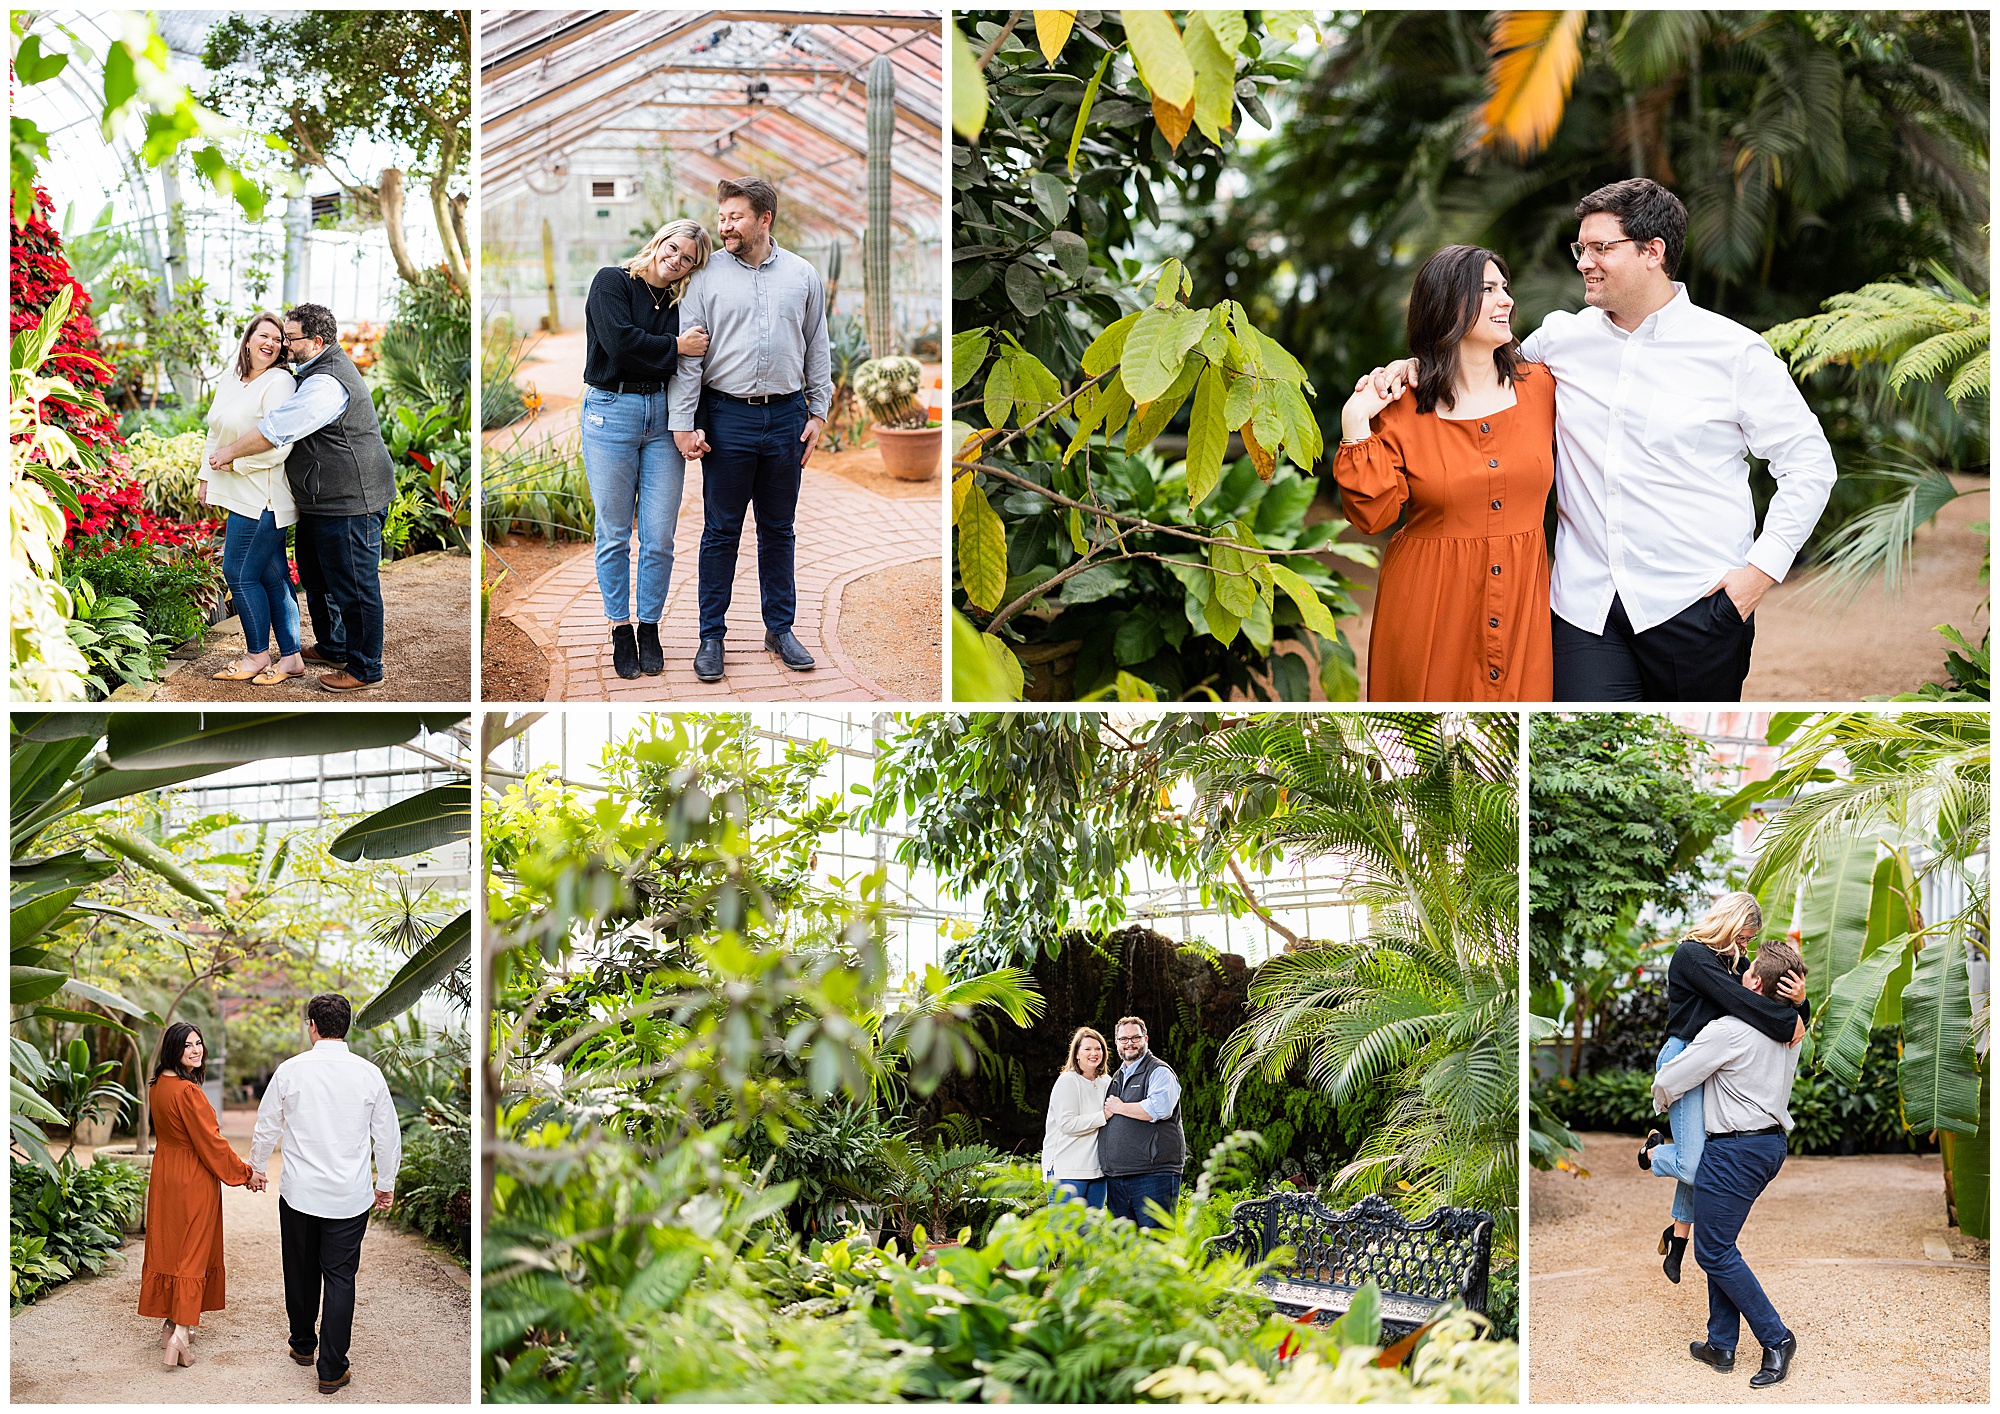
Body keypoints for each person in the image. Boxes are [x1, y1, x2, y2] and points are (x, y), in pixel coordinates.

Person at [1364, 178, 1837, 701]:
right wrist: (1411, 368)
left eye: (1600, 248)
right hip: (1582, 612)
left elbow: (1809, 464)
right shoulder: (1560, 341)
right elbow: (1476, 368)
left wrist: (1758, 575)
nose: (1584, 261)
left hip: (1695, 606)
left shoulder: (1733, 352)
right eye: (1580, 248)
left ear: (1652, 252)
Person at [1334, 245, 1555, 700]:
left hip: (1521, 610)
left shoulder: (1544, 388)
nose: (1507, 300)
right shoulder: (1400, 407)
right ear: (1447, 305)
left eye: (1505, 288)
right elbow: (1371, 517)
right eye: (1488, 290)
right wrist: (1356, 423)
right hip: (1429, 609)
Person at [671, 176, 833, 683]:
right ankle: (711, 637)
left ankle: (779, 628)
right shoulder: (704, 277)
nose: (725, 225)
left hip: (786, 417)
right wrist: (684, 423)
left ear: (765, 219)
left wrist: (819, 412)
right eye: (722, 217)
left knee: (778, 529)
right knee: (720, 531)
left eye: (735, 216)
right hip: (727, 417)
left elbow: (817, 346)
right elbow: (690, 357)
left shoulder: (804, 276)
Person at [207, 302, 398, 692]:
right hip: (322, 500)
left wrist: (228, 455)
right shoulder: (309, 372)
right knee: (316, 577)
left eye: (289, 338)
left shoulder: (325, 383)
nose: (283, 346)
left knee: (355, 586)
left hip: (352, 499)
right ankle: (334, 645)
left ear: (316, 341)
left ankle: (365, 668)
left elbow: (277, 430)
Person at [1651, 940, 1808, 1388]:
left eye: (1747, 968)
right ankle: (1720, 1344)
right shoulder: (1790, 1029)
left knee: (1714, 1250)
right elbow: (1798, 1016)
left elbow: (1672, 1078)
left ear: (1755, 982)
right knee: (1721, 1244)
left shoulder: (1729, 1030)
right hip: (1768, 1147)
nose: (1738, 974)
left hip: (1734, 1150)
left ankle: (1776, 1338)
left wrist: (1662, 1100)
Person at [1639, 892, 1808, 1282]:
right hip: (1685, 1057)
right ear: (1729, 924)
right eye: (1744, 937)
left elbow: (1765, 997)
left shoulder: (1736, 960)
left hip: (1714, 1059)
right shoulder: (1692, 957)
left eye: (1749, 941)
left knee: (1707, 1159)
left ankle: (1678, 1240)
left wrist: (1801, 1004)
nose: (1745, 948)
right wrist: (1792, 1023)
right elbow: (1742, 1003)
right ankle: (1653, 1155)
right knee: (1694, 1163)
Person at [250, 993, 401, 1396]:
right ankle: (331, 1369)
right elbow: (386, 1136)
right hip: (349, 1197)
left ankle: (302, 1346)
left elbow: (268, 1125)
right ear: (346, 1026)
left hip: (300, 1192)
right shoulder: (369, 1074)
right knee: (340, 1277)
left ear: (312, 1026)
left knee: (300, 1270)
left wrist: (258, 1167)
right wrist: (384, 1183)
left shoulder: (290, 1070)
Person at [580, 218, 713, 679]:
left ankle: (649, 626)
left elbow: (695, 365)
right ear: (658, 241)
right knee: (614, 532)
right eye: (673, 248)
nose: (675, 260)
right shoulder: (611, 282)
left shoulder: (680, 302)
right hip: (610, 410)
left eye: (687, 260)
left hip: (662, 418)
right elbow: (619, 346)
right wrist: (677, 346)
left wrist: (691, 422)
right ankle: (620, 628)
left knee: (658, 537)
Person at [137, 1021, 266, 1369]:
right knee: (192, 1249)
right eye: (187, 1045)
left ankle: (169, 1323)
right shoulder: (187, 1092)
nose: (196, 1050)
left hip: (165, 1175)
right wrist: (247, 1174)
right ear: (173, 1049)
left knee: (171, 1245)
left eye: (199, 1044)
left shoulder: (157, 1086)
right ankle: (180, 1331)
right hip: (193, 1177)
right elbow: (211, 1144)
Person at [199, 310, 305, 685]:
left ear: (283, 349)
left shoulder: (279, 383)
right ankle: (291, 658)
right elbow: (216, 432)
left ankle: (256, 655)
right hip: (237, 493)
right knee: (273, 575)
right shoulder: (232, 379)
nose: (270, 343)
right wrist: (206, 477)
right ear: (248, 339)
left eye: (278, 340)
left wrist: (235, 467)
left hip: (264, 496)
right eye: (264, 336)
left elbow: (280, 446)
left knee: (239, 574)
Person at [1099, 1016, 1186, 1229]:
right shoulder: (1117, 1077)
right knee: (1126, 1250)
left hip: (1153, 1176)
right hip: (1118, 1177)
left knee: (1156, 1245)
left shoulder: (1158, 1071)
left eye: (1135, 1037)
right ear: (1116, 1042)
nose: (1130, 1043)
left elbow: (1161, 1108)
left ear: (1145, 1039)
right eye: (1124, 1039)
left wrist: (1120, 1107)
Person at [1042, 1026, 1112, 1208]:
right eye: (1087, 1049)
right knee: (1063, 1232)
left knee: (1089, 1233)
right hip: (1068, 1170)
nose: (1094, 1053)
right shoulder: (1068, 1081)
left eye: (1098, 1049)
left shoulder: (1106, 1081)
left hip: (1098, 1171)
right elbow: (1067, 1124)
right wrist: (1103, 1116)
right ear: (1077, 1054)